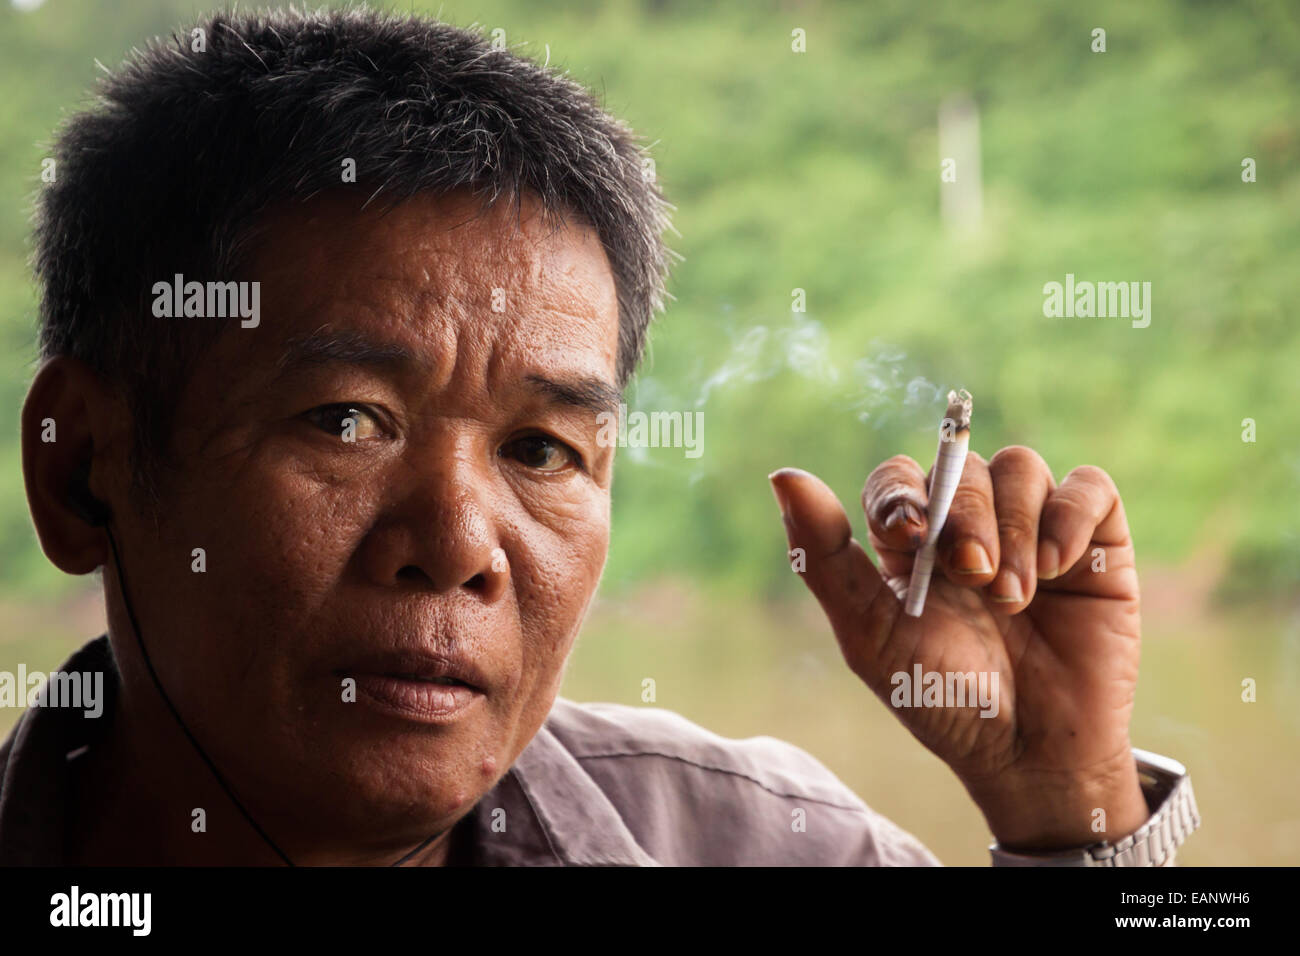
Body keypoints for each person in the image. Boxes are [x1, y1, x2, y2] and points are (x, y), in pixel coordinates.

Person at [0, 8, 1197, 866]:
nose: (462, 545)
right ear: (80, 470)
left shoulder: (765, 844)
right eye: (348, 419)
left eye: (540, 450)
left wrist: (1065, 800)